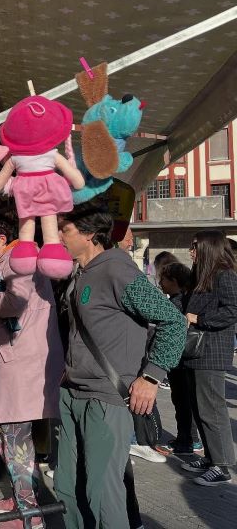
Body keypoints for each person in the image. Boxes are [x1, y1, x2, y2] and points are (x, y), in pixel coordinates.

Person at [53, 204, 186, 528]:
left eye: (65, 230)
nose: (58, 236)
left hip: (106, 399)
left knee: (102, 494)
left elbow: (173, 321)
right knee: (66, 489)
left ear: (88, 235)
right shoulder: (78, 272)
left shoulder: (117, 270)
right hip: (72, 393)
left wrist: (151, 377)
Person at [0, 217, 64, 528]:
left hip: (19, 364)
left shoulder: (17, 260)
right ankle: (21, 500)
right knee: (13, 438)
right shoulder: (9, 260)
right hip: (15, 361)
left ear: (1, 237)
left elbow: (12, 303)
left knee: (16, 441)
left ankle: (30, 515)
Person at [177, 231, 237, 486]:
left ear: (208, 248)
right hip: (194, 351)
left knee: (212, 410)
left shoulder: (225, 275)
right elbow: (183, 302)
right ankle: (212, 458)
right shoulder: (201, 274)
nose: (191, 251)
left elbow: (233, 310)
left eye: (195, 246)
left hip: (211, 351)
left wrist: (200, 320)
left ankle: (222, 466)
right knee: (200, 409)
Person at [154, 262, 204, 456]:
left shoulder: (177, 302)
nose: (160, 283)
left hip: (180, 360)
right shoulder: (183, 299)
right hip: (183, 359)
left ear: (174, 282)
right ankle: (189, 438)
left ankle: (187, 441)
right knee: (184, 401)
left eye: (163, 279)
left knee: (182, 401)